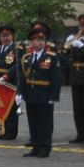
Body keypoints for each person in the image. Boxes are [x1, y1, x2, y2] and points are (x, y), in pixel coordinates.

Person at [19, 21, 63, 158]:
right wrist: (20, 93)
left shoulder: (51, 57)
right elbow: (22, 77)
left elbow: (56, 78)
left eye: (42, 40)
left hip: (44, 95)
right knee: (33, 122)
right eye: (37, 40)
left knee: (45, 123)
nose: (40, 43)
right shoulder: (27, 58)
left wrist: (53, 96)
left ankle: (45, 147)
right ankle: (36, 147)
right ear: (32, 41)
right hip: (31, 95)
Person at [64, 14, 84, 144]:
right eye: (80, 25)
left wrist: (81, 46)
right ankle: (80, 133)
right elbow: (65, 53)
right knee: (77, 108)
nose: (81, 28)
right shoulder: (75, 39)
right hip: (75, 77)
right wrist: (68, 44)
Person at [0, 25, 22, 141]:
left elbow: (18, 65)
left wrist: (6, 76)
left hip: (10, 82)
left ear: (12, 37)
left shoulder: (17, 49)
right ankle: (3, 131)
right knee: (2, 107)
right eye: (3, 36)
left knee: (11, 109)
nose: (5, 38)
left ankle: (11, 132)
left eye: (8, 36)